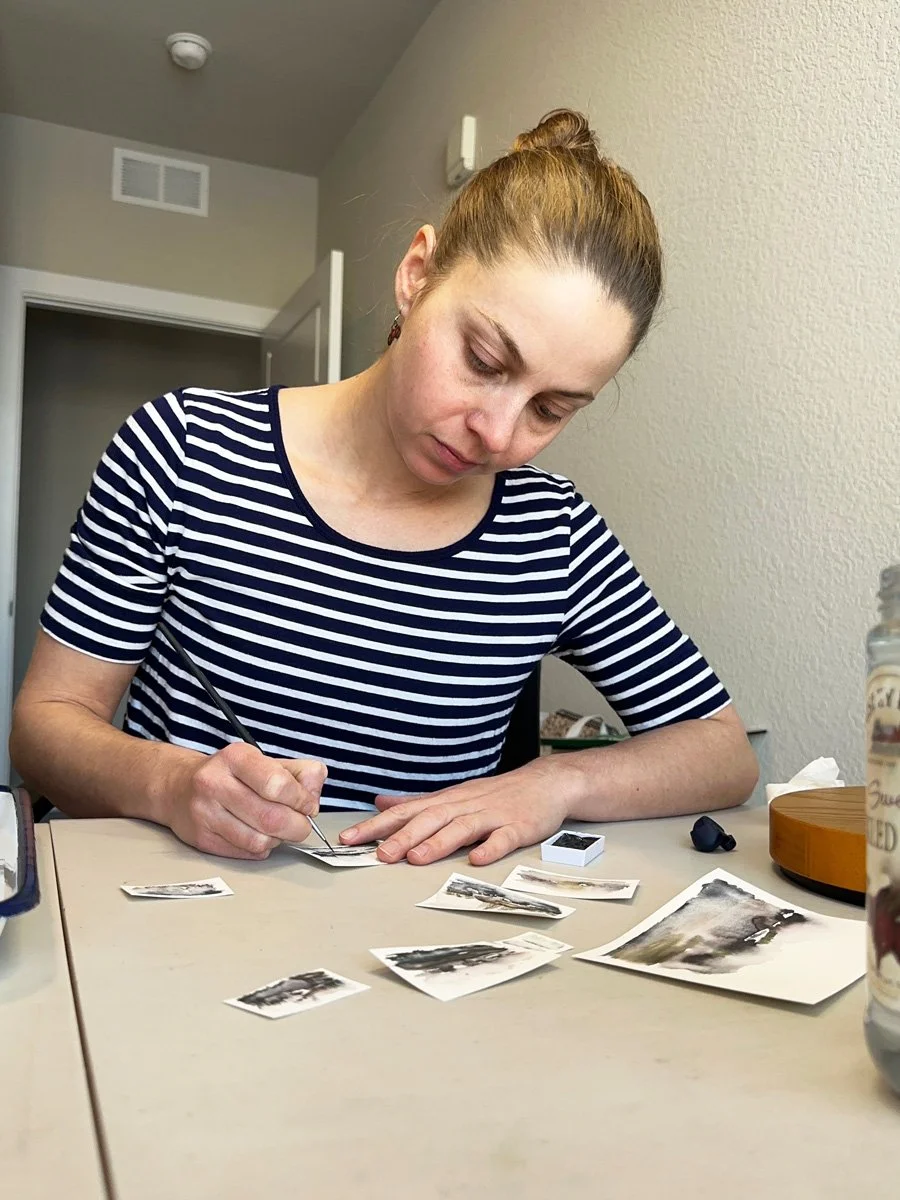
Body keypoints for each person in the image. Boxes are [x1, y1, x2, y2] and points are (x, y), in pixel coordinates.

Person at [10, 109, 758, 866]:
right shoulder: (182, 449)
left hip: (416, 957)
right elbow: (45, 725)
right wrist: (169, 784)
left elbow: (723, 754)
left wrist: (553, 783)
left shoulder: (554, 533)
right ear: (416, 276)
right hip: (168, 925)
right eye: (485, 360)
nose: (498, 436)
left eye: (550, 409)